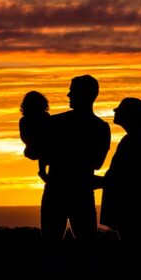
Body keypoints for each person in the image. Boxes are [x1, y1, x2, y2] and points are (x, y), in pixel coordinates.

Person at [40, 75, 111, 245]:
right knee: (85, 246)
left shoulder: (55, 122)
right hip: (79, 191)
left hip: (61, 190)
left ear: (85, 94)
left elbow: (40, 150)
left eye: (72, 91)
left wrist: (45, 168)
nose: (68, 95)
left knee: (54, 245)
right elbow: (96, 163)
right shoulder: (100, 127)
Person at [98, 98, 141, 243]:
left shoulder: (136, 140)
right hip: (136, 212)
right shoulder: (139, 138)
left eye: (120, 109)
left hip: (134, 212)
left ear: (131, 115)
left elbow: (125, 178)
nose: (115, 111)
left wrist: (95, 181)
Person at [19, 90, 51, 181]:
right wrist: (35, 142)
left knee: (46, 148)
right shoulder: (24, 120)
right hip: (32, 148)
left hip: (44, 144)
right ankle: (42, 171)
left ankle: (43, 171)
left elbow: (50, 130)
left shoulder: (45, 116)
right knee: (44, 148)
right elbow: (24, 137)